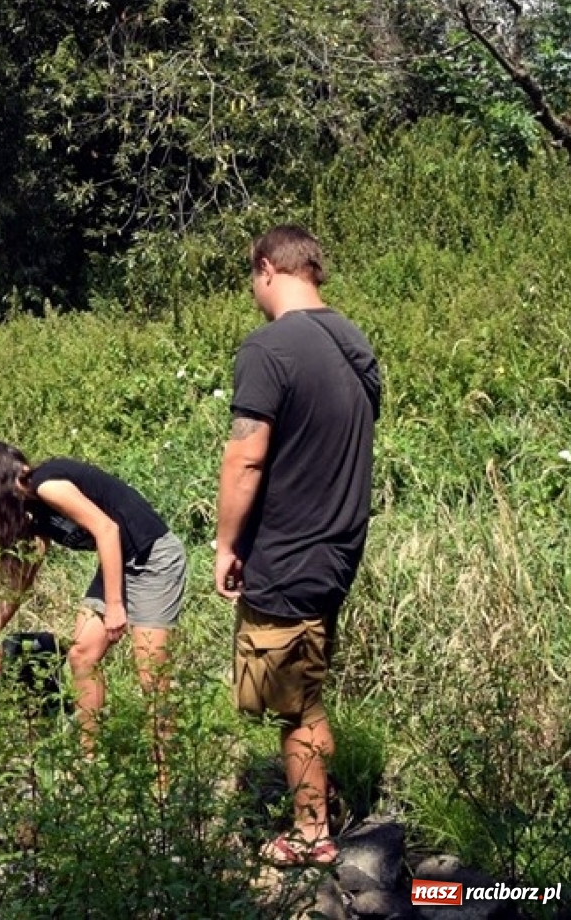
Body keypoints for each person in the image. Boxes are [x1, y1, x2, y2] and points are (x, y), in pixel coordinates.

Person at [214, 225, 379, 868]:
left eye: (253, 283)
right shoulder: (355, 344)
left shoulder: (270, 347)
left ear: (265, 269)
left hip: (290, 553)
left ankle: (313, 835)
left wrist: (227, 544)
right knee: (303, 686)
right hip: (338, 549)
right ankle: (320, 808)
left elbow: (246, 459)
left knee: (297, 705)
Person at [0, 441, 187, 750]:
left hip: (153, 558)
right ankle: (90, 759)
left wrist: (115, 606)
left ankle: (164, 781)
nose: (25, 475)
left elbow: (107, 530)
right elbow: (21, 582)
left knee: (152, 676)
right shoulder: (33, 512)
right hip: (120, 561)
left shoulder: (48, 485)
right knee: (82, 655)